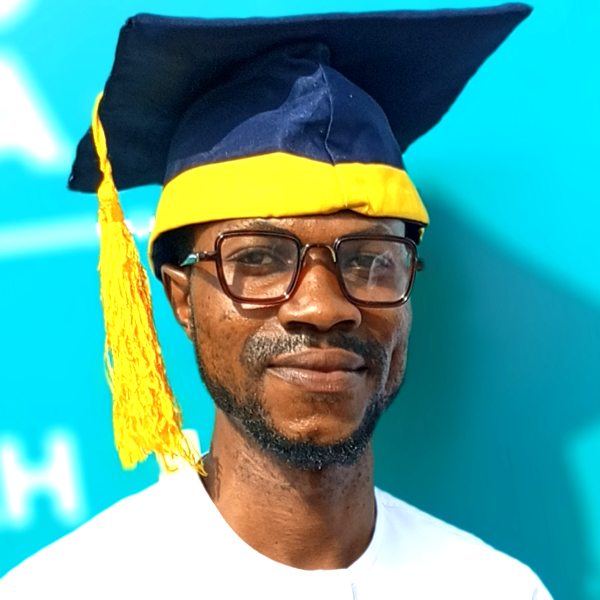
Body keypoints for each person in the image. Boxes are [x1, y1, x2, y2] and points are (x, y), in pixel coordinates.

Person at [0, 5, 553, 599]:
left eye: (369, 260)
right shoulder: (65, 589)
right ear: (182, 300)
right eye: (259, 260)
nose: (322, 306)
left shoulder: (496, 587)